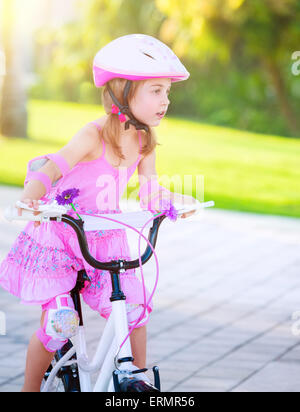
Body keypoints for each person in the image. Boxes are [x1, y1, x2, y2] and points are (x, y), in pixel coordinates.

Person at [0, 34, 196, 392]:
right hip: (62, 233)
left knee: (135, 307)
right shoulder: (93, 135)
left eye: (167, 92)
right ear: (123, 90)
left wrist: (174, 202)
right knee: (59, 323)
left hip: (101, 232)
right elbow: (55, 166)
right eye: (156, 91)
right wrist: (30, 198)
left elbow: (149, 188)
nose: (165, 101)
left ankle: (136, 381)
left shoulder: (145, 140)